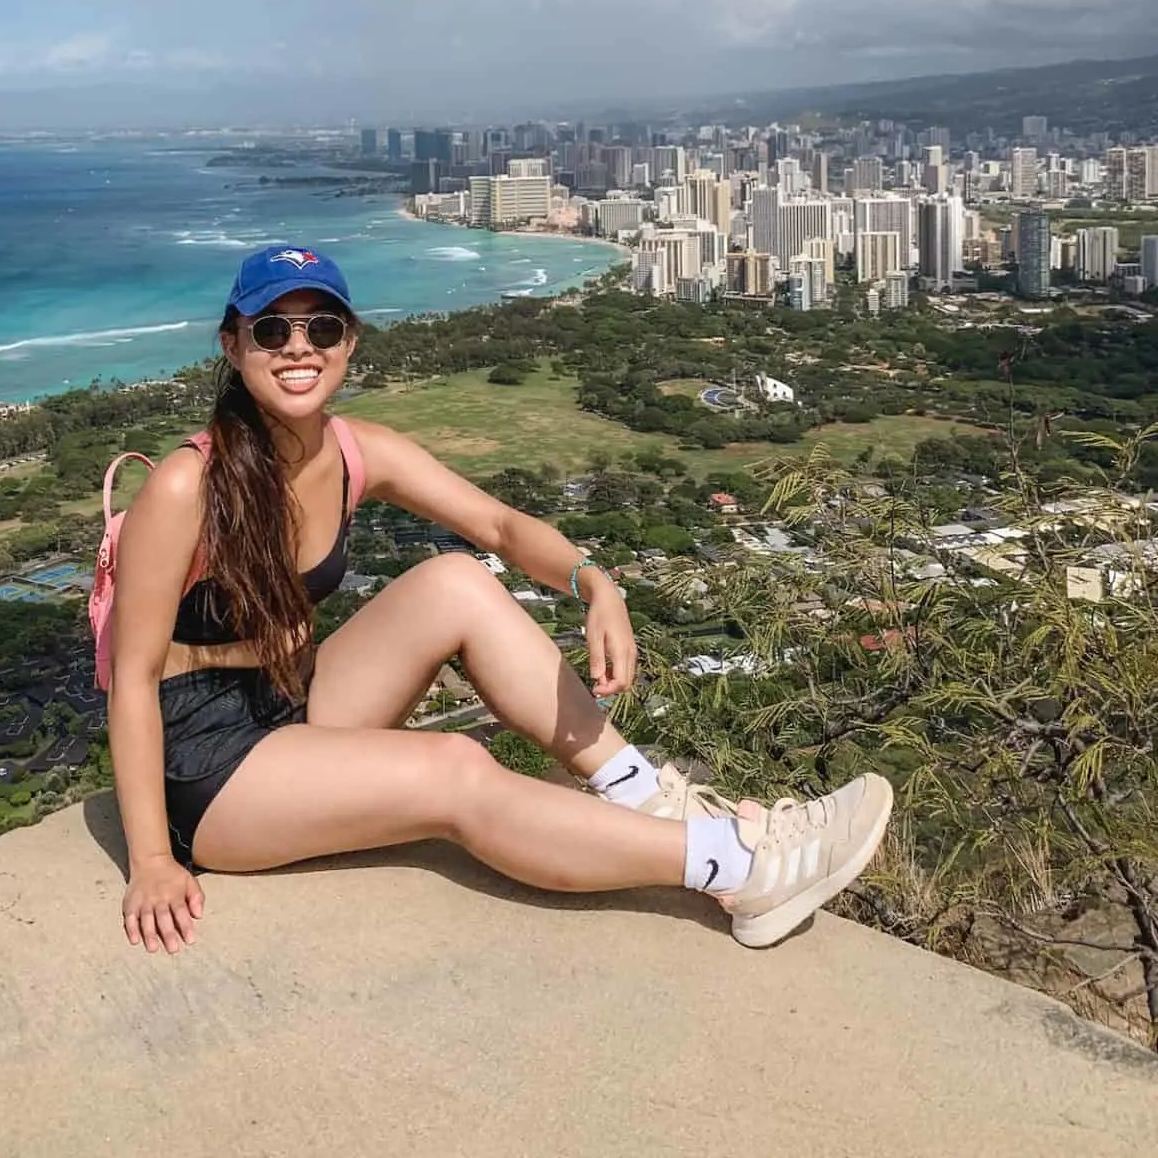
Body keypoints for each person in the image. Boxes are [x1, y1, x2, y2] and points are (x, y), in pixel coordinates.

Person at [106, 244, 892, 956]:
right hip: (205, 762)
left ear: (350, 343)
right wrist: (149, 861)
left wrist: (594, 580)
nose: (299, 347)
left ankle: (647, 798)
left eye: (321, 327)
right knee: (453, 767)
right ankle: (739, 866)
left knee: (456, 578)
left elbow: (498, 524)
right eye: (272, 331)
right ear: (232, 344)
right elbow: (134, 677)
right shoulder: (189, 485)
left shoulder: (355, 451)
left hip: (290, 699)